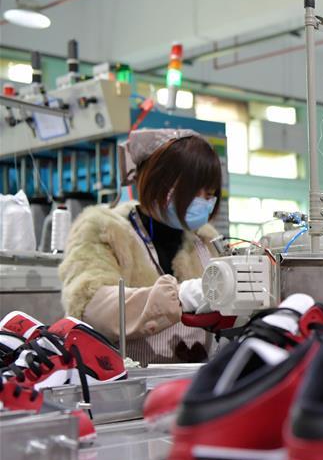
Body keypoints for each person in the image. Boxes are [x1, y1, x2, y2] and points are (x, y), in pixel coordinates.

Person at [59, 129, 222, 365]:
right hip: (127, 386)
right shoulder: (104, 230)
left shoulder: (205, 240)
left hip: (196, 382)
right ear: (158, 181)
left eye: (209, 193)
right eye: (192, 190)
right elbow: (91, 306)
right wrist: (179, 297)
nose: (203, 201)